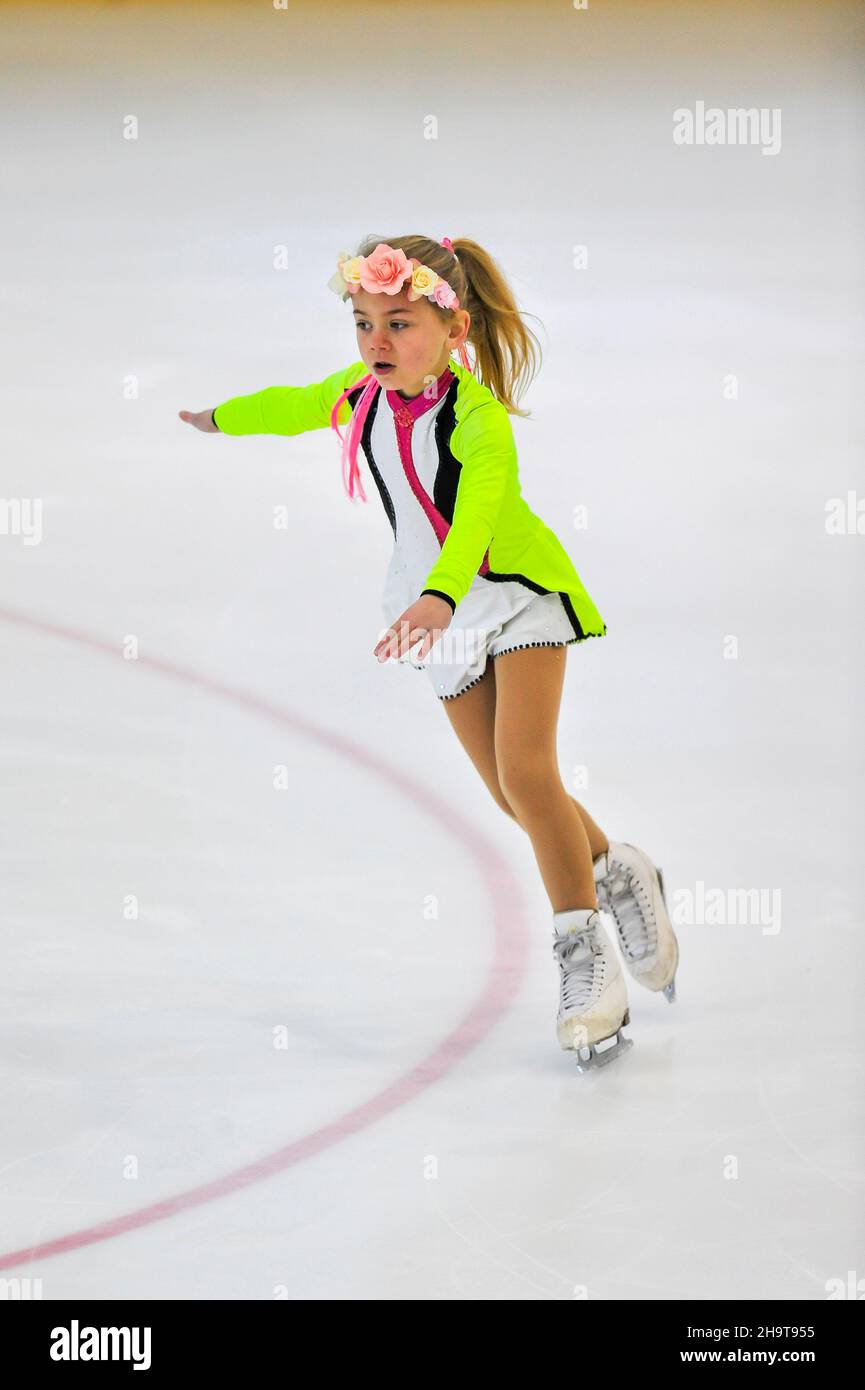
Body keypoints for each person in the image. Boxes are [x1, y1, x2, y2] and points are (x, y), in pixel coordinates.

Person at [179, 235, 678, 1071]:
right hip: (432, 606)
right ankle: (619, 868)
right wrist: (221, 417)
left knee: (526, 772)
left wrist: (442, 596)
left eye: (398, 323)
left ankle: (584, 963)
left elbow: (478, 516)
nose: (376, 342)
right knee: (512, 795)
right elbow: (296, 403)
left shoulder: (479, 422)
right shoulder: (359, 394)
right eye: (363, 321)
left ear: (453, 332)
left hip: (509, 592)